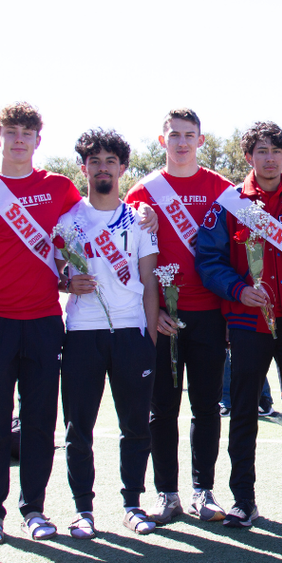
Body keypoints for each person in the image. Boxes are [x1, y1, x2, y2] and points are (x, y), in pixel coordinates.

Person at [0, 102, 85, 545]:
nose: (19, 140)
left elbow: (88, 227)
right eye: (12, 132)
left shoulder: (60, 188)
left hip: (45, 321)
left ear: (38, 140)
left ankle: (35, 510)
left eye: (27, 132)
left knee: (40, 421)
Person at [197, 121, 282, 527]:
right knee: (243, 412)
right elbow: (208, 260)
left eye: (276, 151)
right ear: (248, 157)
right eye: (261, 150)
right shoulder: (229, 204)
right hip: (247, 324)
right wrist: (238, 290)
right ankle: (244, 499)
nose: (269, 158)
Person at [124, 109, 232, 524]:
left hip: (209, 316)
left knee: (206, 407)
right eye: (175, 136)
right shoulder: (142, 191)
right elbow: (127, 261)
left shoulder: (222, 189)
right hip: (161, 318)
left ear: (201, 141)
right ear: (162, 140)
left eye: (190, 135)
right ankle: (167, 493)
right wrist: (151, 313)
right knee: (162, 409)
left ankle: (203, 491)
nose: (182, 143)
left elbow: (236, 252)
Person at [57, 129, 160, 538]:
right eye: (95, 161)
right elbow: (54, 275)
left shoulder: (139, 219)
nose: (103, 168)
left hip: (131, 333)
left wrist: (149, 340)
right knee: (78, 428)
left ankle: (132, 504)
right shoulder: (67, 221)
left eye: (110, 161)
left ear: (122, 168)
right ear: (83, 167)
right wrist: (67, 283)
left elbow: (149, 282)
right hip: (82, 333)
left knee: (135, 425)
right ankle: (83, 509)